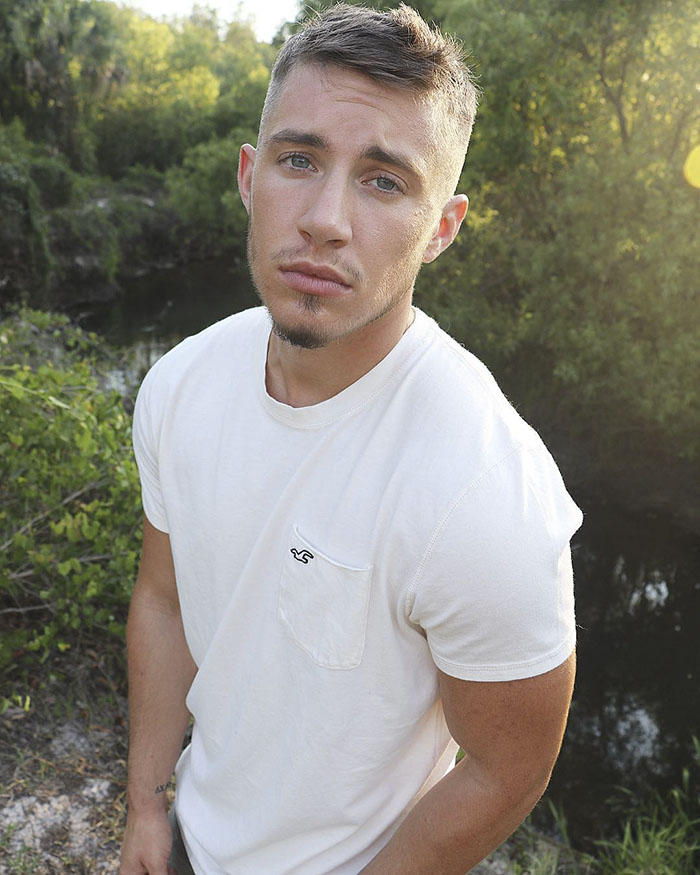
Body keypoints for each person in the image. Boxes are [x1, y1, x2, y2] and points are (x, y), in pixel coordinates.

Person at [119, 4, 582, 874]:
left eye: (384, 181)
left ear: (442, 227)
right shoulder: (180, 384)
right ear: (250, 176)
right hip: (189, 837)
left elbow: (506, 769)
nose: (325, 219)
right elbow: (165, 600)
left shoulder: (485, 488)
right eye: (299, 160)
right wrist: (147, 804)